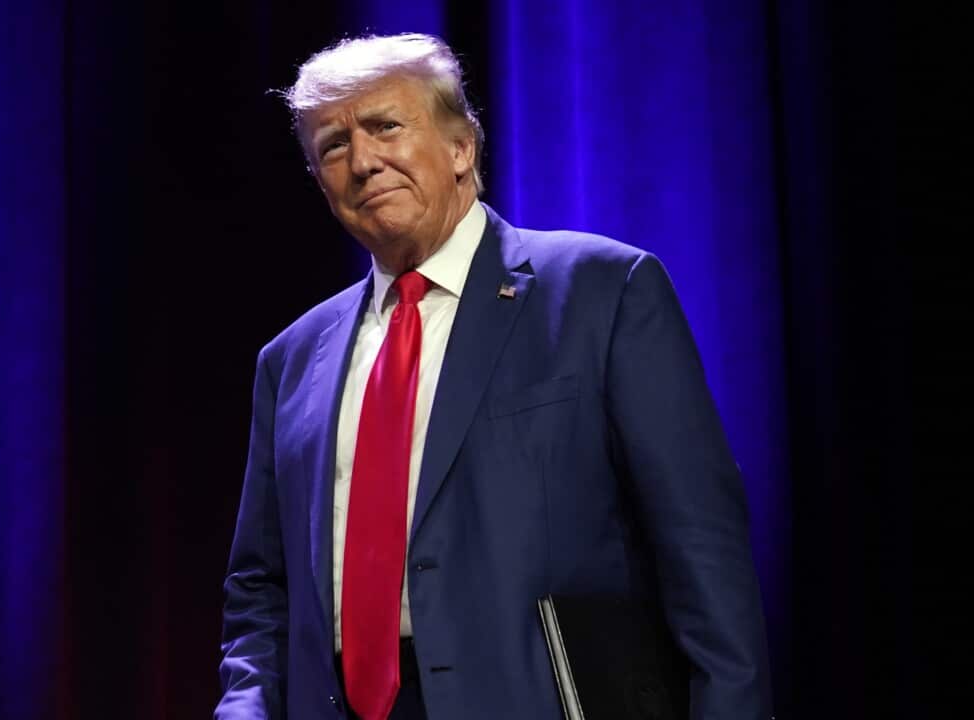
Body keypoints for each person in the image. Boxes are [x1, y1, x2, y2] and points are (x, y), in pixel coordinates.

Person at [216, 33, 772, 720]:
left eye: (386, 126)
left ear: (461, 147)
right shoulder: (291, 360)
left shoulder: (601, 292)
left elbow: (699, 546)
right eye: (333, 146)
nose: (362, 161)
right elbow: (261, 590)